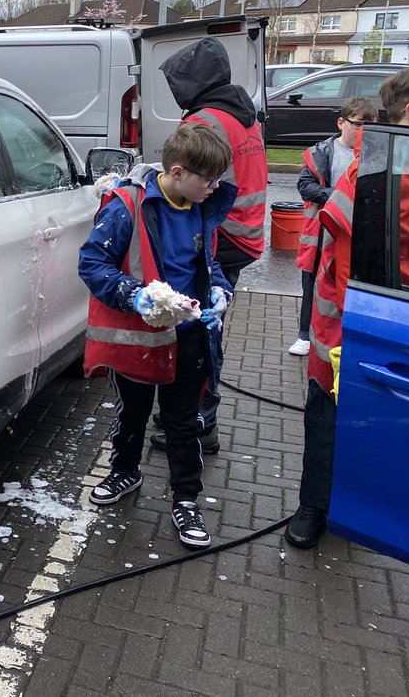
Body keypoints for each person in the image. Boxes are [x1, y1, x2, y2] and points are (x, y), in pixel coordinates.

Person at [286, 67, 409, 549]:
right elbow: (356, 254)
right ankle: (313, 505)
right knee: (328, 413)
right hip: (348, 326)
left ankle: (353, 503)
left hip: (393, 320)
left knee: (369, 419)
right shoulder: (378, 171)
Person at [79, 123, 236, 549]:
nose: (215, 187)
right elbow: (93, 264)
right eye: (209, 179)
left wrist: (220, 288)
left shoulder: (201, 205)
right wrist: (135, 295)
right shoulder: (126, 207)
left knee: (183, 421)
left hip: (190, 337)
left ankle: (186, 500)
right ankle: (125, 471)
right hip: (141, 336)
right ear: (179, 172)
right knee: (132, 410)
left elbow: (209, 262)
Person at [150, 36, 268, 454]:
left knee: (199, 330)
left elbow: (183, 190)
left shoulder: (203, 121)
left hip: (220, 234)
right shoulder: (242, 111)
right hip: (246, 233)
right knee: (207, 324)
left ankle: (197, 422)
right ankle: (196, 417)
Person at [288, 97, 378, 357]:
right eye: (358, 124)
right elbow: (306, 186)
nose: (362, 132)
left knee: (349, 288)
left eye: (368, 126)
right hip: (320, 233)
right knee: (312, 285)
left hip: (354, 235)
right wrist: (340, 197)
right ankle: (305, 335)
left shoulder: (376, 156)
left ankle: (346, 337)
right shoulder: (321, 152)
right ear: (341, 123)